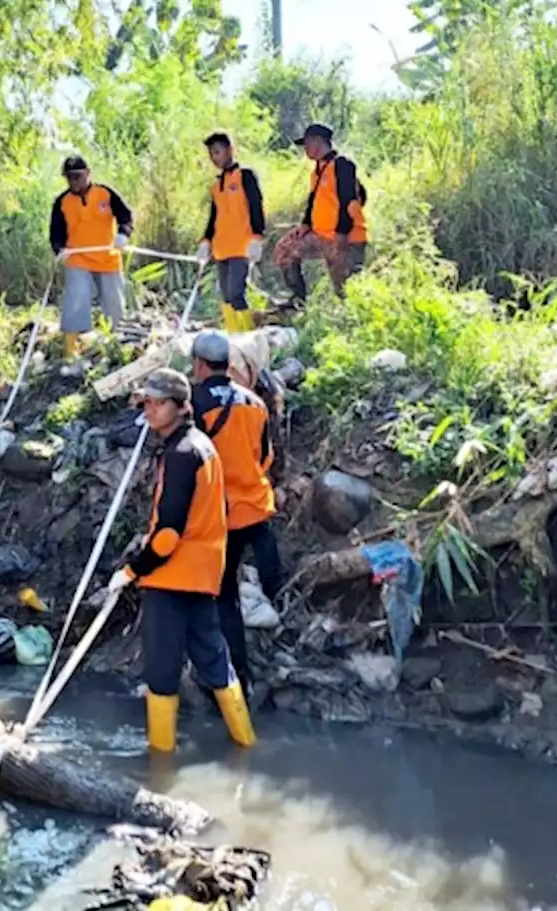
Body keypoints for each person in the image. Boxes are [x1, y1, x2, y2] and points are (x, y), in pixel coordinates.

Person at [103, 369, 256, 753]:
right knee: (216, 661)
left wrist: (133, 569)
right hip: (204, 577)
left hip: (172, 579)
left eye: (158, 404)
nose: (150, 411)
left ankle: (160, 765)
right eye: (147, 404)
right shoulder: (204, 447)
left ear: (181, 406)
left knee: (161, 673)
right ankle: (246, 743)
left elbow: (169, 533)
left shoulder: (181, 454)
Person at [188, 330, 282, 693]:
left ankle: (237, 674)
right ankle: (276, 596)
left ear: (198, 364)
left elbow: (190, 458)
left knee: (224, 596)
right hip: (255, 504)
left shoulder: (194, 403)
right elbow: (265, 455)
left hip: (220, 513)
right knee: (262, 553)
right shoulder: (254, 402)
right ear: (228, 363)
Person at [49, 155, 134, 373]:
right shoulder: (62, 202)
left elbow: (126, 216)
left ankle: (116, 349)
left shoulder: (105, 193)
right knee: (76, 300)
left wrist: (124, 234)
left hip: (108, 256)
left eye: (77, 176)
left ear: (88, 173)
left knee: (114, 304)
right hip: (78, 258)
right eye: (69, 178)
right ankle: (71, 354)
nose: (73, 182)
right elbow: (56, 232)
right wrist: (59, 250)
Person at [273, 123, 368, 306]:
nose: (305, 149)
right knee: (285, 249)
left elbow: (349, 202)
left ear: (318, 141)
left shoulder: (342, 165)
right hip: (321, 235)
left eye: (307, 144)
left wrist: (341, 235)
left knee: (345, 291)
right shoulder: (317, 171)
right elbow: (313, 200)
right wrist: (305, 224)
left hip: (347, 237)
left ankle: (352, 320)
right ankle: (298, 300)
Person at [196, 132, 267, 335]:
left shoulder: (245, 176)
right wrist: (206, 241)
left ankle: (248, 336)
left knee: (237, 293)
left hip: (241, 246)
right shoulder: (216, 185)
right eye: (211, 154)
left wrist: (257, 237)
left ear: (230, 150)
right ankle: (233, 335)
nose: (214, 158)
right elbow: (214, 217)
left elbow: (256, 207)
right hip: (221, 248)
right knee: (226, 296)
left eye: (217, 152)